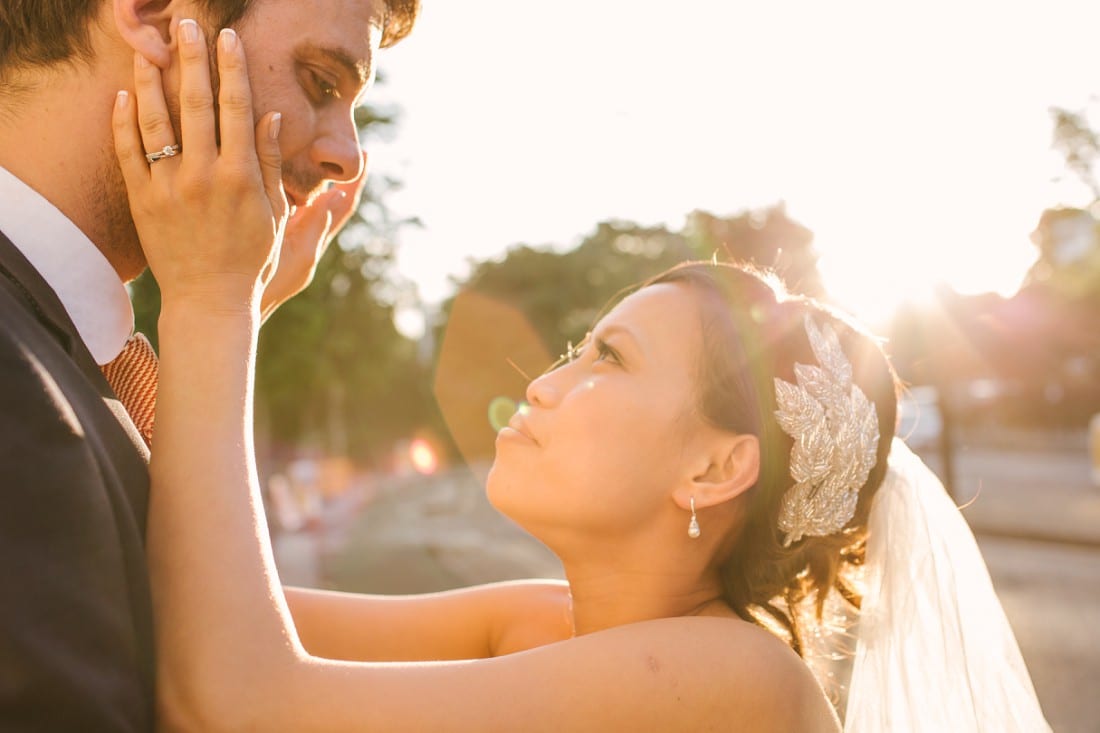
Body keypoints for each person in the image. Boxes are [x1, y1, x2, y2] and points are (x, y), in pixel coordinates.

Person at [115, 28, 1052, 732]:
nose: (544, 385)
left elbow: (232, 698)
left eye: (610, 359)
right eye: (579, 349)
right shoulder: (538, 623)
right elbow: (187, 598)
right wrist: (252, 306)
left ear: (717, 467)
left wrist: (212, 302)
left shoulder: (738, 680)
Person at [0, 0, 417, 727]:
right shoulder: (17, 387)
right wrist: (216, 305)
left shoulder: (66, 360)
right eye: (321, 81)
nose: (348, 157)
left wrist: (227, 312)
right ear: (159, 17)